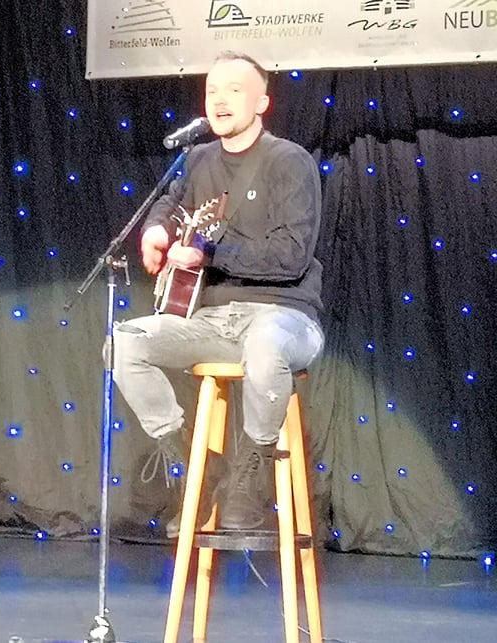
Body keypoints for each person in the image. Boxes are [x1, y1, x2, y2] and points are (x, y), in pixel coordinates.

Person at [112, 50, 325, 537]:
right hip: (212, 320)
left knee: (265, 347)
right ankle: (198, 468)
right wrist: (157, 232)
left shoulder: (289, 161)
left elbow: (291, 256)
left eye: (233, 90)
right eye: (212, 90)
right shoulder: (198, 159)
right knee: (125, 342)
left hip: (284, 317)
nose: (220, 100)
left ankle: (248, 481)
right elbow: (170, 203)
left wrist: (209, 251)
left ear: (262, 102)